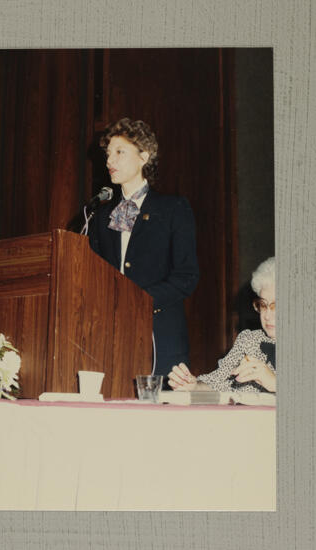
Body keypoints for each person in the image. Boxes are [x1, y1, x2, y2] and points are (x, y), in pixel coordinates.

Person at [88, 117, 199, 378]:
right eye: (108, 154)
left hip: (160, 339)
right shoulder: (102, 216)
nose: (109, 161)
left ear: (144, 156)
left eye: (119, 152)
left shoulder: (173, 209)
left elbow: (186, 277)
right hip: (113, 338)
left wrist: (138, 301)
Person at [168, 256, 276, 393]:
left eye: (275, 306)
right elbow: (218, 383)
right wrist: (194, 387)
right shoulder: (249, 340)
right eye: (262, 305)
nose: (266, 315)